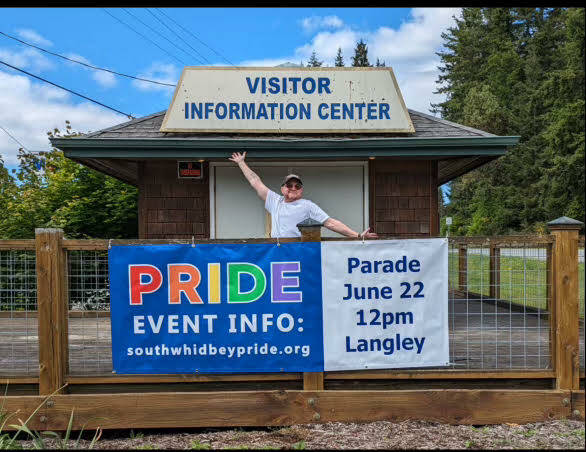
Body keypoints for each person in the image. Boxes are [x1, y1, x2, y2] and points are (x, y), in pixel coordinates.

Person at [229, 152, 378, 239]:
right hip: (276, 250)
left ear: (301, 190)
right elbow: (255, 181)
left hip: (297, 249)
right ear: (282, 188)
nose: (293, 188)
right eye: (289, 185)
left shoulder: (307, 205)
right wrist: (241, 163)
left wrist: (357, 236)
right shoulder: (275, 200)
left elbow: (330, 223)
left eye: (297, 186)